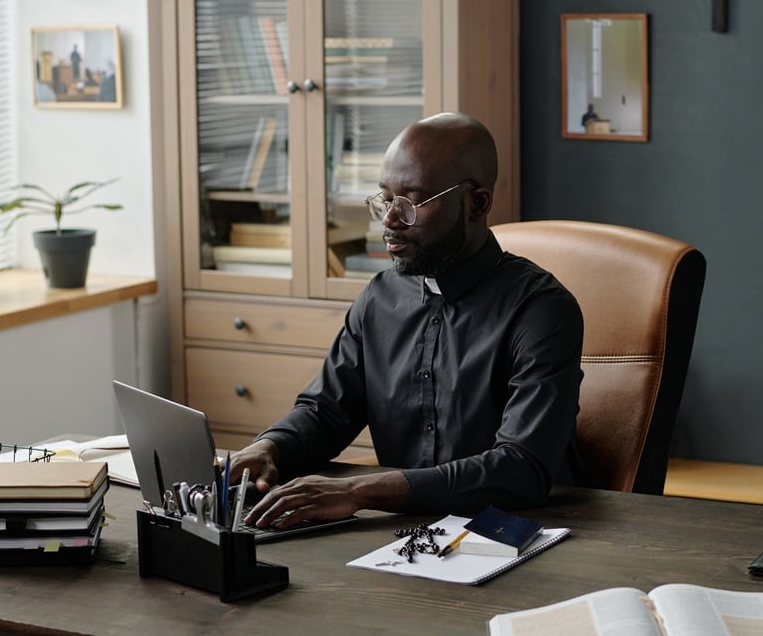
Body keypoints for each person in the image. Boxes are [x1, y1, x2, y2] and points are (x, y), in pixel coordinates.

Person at [230, 112, 585, 527]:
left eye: (412, 201)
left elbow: (520, 468)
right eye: (384, 198)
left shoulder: (541, 309)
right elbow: (327, 412)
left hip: (519, 530)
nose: (390, 220)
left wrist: (359, 491)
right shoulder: (380, 297)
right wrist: (270, 447)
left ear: (477, 203)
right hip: (405, 532)